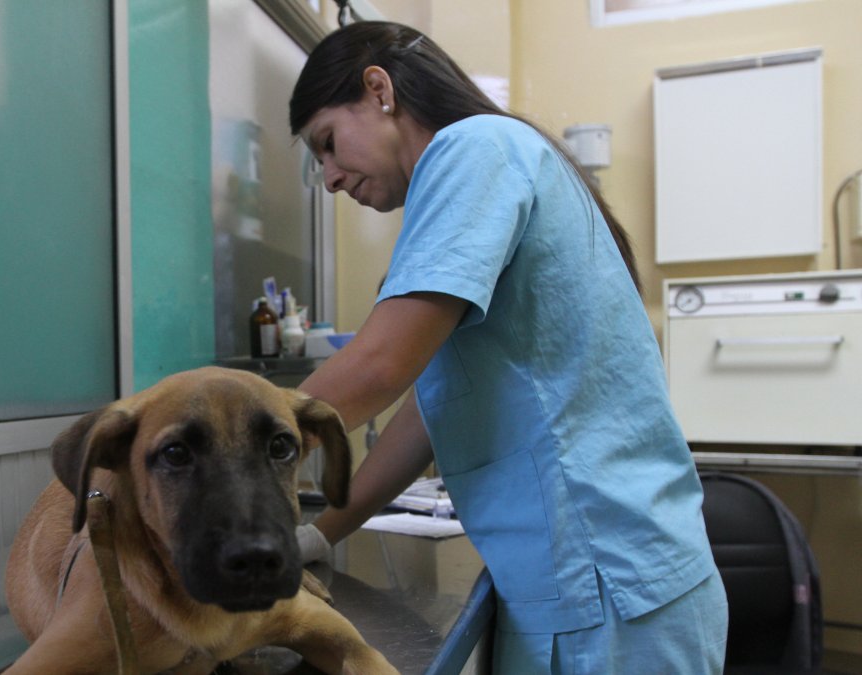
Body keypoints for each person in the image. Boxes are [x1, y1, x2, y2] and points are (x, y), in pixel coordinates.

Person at [289, 21, 728, 674]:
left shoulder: (474, 150)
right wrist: (318, 533)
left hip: (609, 592)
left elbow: (382, 364)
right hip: (574, 590)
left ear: (378, 90)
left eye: (327, 143)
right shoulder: (491, 161)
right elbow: (427, 414)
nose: (328, 177)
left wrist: (210, 438)